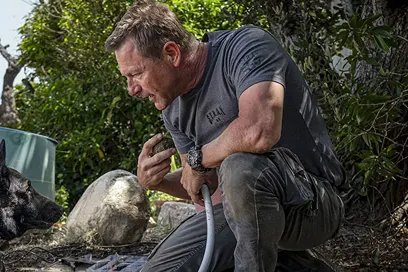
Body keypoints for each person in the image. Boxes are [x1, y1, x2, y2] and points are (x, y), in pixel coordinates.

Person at [103, 1, 346, 271]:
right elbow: (204, 186)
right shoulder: (172, 107)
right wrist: (156, 182)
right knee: (161, 269)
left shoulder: (245, 47)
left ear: (171, 53)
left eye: (135, 74)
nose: (131, 90)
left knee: (240, 166)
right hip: (244, 212)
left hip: (313, 204)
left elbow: (259, 130)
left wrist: (197, 159)